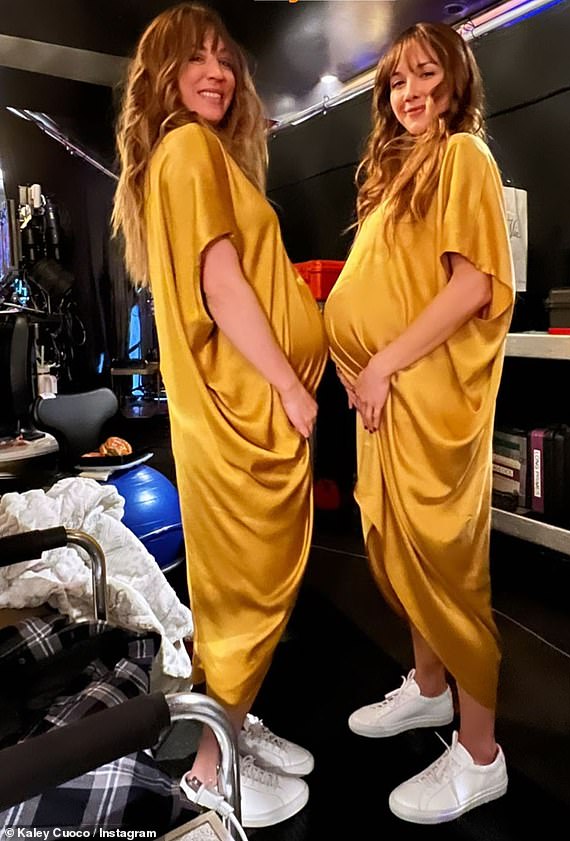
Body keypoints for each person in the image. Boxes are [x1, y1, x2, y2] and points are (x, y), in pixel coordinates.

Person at [112, 3, 327, 828]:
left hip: (236, 408)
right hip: (244, 410)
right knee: (245, 586)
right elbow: (221, 283)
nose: (217, 73)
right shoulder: (189, 148)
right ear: (162, 76)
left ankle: (232, 726)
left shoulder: (191, 155)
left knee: (241, 583)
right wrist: (289, 386)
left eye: (224, 59)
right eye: (194, 59)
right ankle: (211, 770)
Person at [324, 22, 515, 825]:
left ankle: (481, 754)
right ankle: (430, 687)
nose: (409, 92)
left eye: (425, 73)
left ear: (456, 78)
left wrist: (381, 364)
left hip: (427, 398)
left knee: (446, 563)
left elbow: (471, 285)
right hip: (386, 399)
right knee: (398, 550)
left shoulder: (463, 155)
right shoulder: (398, 173)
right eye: (397, 80)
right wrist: (359, 365)